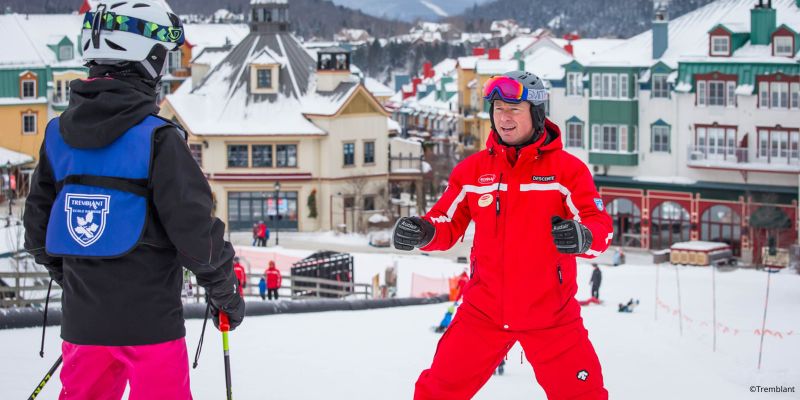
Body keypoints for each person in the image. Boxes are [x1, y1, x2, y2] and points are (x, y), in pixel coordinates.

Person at [22, 2, 245, 399]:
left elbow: (38, 236)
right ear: (146, 58)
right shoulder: (159, 138)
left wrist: (83, 282)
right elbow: (196, 235)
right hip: (151, 326)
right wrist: (224, 292)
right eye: (162, 54)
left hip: (83, 325)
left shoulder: (57, 136)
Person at [393, 71, 613, 400]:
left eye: (514, 109)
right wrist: (423, 231)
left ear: (537, 113)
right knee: (436, 392)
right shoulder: (473, 171)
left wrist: (583, 237)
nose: (503, 118)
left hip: (551, 315)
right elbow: (446, 222)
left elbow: (599, 225)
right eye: (498, 108)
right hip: (483, 312)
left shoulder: (568, 172)